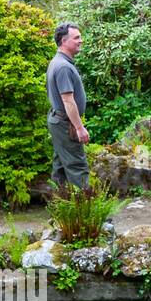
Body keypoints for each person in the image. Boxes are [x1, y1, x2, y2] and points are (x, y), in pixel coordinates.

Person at [46, 22, 90, 191]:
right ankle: (87, 213)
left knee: (61, 168)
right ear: (64, 41)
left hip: (59, 121)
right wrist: (79, 127)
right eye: (76, 38)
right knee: (77, 167)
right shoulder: (63, 66)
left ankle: (62, 213)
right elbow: (68, 101)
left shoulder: (58, 62)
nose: (81, 41)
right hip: (65, 124)